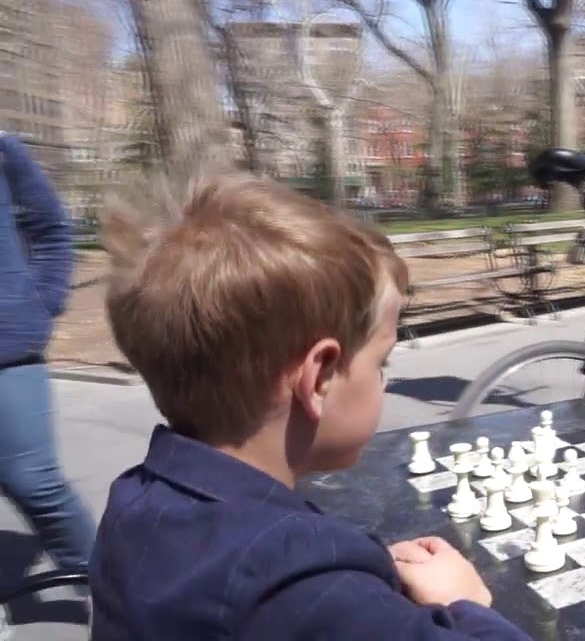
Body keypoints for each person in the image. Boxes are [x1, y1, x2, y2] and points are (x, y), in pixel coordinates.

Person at [89, 173, 532, 640]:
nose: (384, 379)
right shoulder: (305, 584)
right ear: (318, 377)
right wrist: (464, 604)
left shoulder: (134, 501)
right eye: (381, 362)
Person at [0, 132, 96, 575]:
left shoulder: (3, 150)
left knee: (33, 481)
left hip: (8, 350)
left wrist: (43, 301)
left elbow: (52, 227)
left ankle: (108, 592)